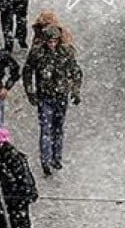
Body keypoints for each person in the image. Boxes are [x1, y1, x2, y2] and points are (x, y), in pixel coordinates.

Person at [22, 25, 83, 176]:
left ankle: (56, 157)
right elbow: (27, 71)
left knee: (58, 128)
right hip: (45, 97)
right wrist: (30, 92)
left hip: (61, 96)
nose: (51, 44)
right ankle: (46, 160)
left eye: (54, 41)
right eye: (49, 41)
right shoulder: (37, 53)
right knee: (46, 129)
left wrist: (75, 91)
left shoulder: (66, 52)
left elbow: (76, 71)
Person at [0, 128, 39, 228]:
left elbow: (3, 181)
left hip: (10, 202)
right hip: (19, 203)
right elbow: (27, 179)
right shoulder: (18, 156)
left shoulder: (1, 159)